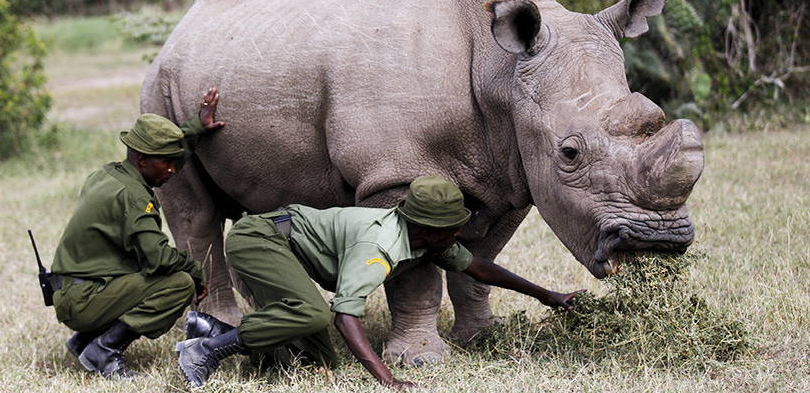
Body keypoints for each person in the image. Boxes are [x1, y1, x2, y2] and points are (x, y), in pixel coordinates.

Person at [177, 175, 584, 388]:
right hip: (261, 239)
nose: (457, 234)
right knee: (314, 315)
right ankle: (206, 350)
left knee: (316, 366)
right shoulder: (381, 247)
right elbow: (344, 316)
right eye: (451, 228)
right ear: (426, 227)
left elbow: (476, 267)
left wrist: (547, 295)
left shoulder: (427, 241)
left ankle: (210, 329)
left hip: (287, 246)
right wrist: (387, 380)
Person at [50, 87, 225, 380]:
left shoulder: (109, 173)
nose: (171, 170)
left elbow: (163, 159)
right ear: (142, 160)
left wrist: (196, 128)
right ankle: (104, 349)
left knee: (139, 268)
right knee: (179, 283)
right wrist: (195, 271)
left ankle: (83, 340)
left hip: (72, 291)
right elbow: (158, 258)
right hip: (84, 300)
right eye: (165, 163)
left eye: (173, 161)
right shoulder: (134, 198)